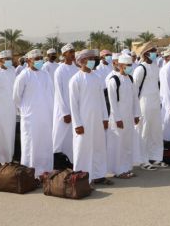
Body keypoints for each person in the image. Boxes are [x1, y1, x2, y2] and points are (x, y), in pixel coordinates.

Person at [69, 49, 111, 185]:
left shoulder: (97, 77)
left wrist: (105, 118)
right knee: (83, 149)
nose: (94, 61)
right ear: (82, 61)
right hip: (83, 121)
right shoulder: (75, 80)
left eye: (94, 58)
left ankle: (98, 175)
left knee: (98, 147)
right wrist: (77, 124)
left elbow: (101, 100)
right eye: (90, 58)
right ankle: (81, 178)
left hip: (98, 119)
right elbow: (73, 104)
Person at [13, 49, 55, 177]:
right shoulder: (24, 75)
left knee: (45, 143)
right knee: (30, 145)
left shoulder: (45, 74)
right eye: (36, 59)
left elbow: (51, 93)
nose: (39, 61)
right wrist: (24, 110)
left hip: (45, 116)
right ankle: (31, 173)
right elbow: (16, 97)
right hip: (30, 117)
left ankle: (45, 171)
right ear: (29, 60)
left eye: (40, 58)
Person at [106, 53, 141, 179]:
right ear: (120, 65)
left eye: (131, 65)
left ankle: (127, 168)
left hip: (129, 116)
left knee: (127, 143)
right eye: (127, 65)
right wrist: (117, 119)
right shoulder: (113, 80)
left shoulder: (130, 79)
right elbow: (113, 102)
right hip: (118, 118)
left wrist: (136, 114)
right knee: (118, 144)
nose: (130, 67)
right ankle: (118, 170)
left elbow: (135, 98)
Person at [134, 43, 167, 169]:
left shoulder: (155, 66)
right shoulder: (140, 69)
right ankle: (143, 160)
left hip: (155, 102)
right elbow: (135, 90)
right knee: (144, 132)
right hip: (144, 103)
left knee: (156, 131)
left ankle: (156, 157)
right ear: (146, 53)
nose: (155, 53)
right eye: (153, 51)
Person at [52, 44, 78, 161]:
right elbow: (59, 93)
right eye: (70, 52)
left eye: (73, 51)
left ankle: (71, 162)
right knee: (59, 136)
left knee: (73, 138)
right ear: (64, 54)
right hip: (63, 110)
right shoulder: (59, 70)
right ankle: (56, 161)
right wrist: (65, 112)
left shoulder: (76, 69)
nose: (72, 54)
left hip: (75, 109)